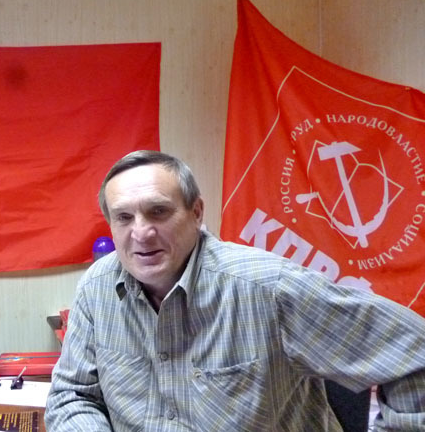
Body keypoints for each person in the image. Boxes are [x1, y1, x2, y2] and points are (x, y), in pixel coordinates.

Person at [45, 150, 425, 431]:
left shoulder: (268, 288)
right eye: (124, 218)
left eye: (158, 212)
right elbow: (72, 395)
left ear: (196, 213)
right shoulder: (97, 287)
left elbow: (414, 354)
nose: (141, 233)